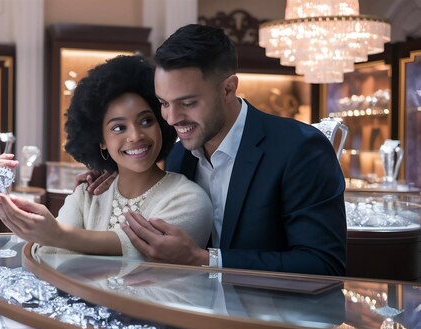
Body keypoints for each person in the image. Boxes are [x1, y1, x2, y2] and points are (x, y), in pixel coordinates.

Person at [90, 24, 347, 276]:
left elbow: (323, 265)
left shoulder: (300, 148)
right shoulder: (178, 156)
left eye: (188, 103)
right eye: (164, 103)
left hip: (273, 317)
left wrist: (203, 259)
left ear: (228, 89)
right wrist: (114, 176)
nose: (171, 118)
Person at [0, 55, 213, 258]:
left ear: (162, 123)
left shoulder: (188, 199)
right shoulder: (88, 194)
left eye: (146, 121)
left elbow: (141, 252)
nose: (136, 136)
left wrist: (58, 235)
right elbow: (50, 251)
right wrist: (2, 200)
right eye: (118, 128)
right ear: (100, 139)